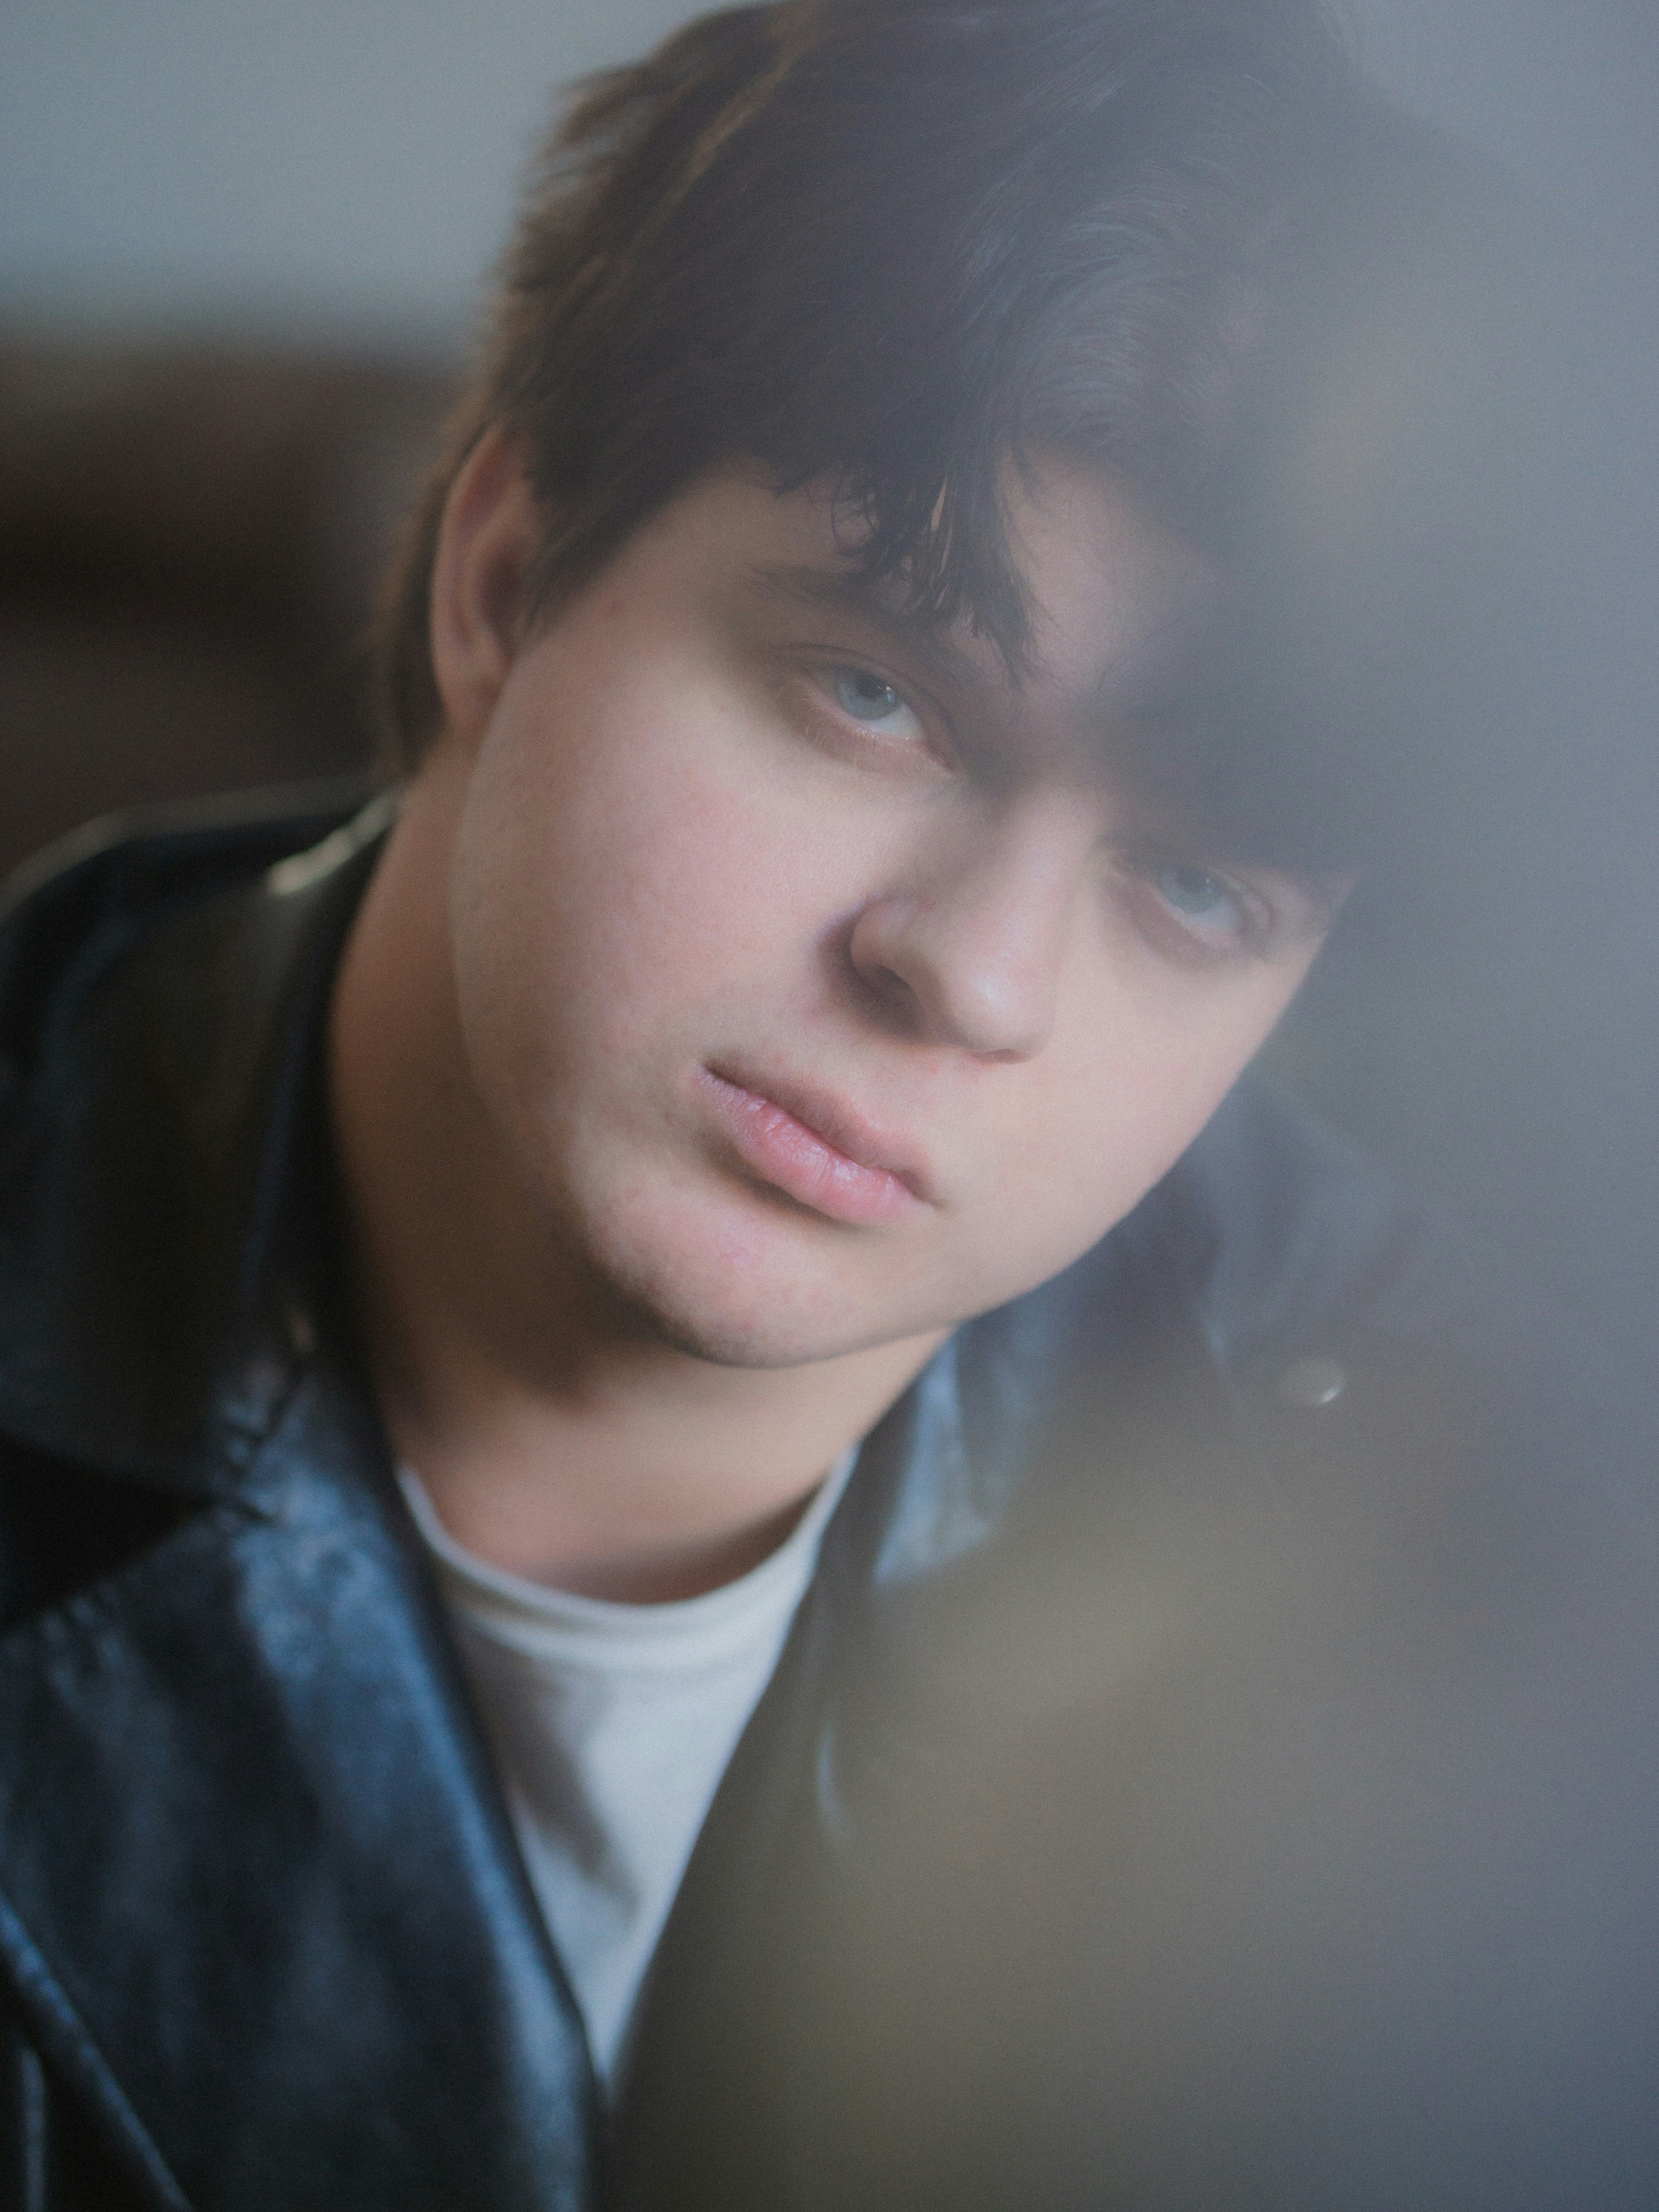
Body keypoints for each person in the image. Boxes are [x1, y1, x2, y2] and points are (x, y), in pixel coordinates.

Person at [0, 2, 1652, 2206]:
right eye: (871, 689)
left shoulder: (1513, 1626)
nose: (968, 976)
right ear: (503, 571)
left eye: (1193, 881)